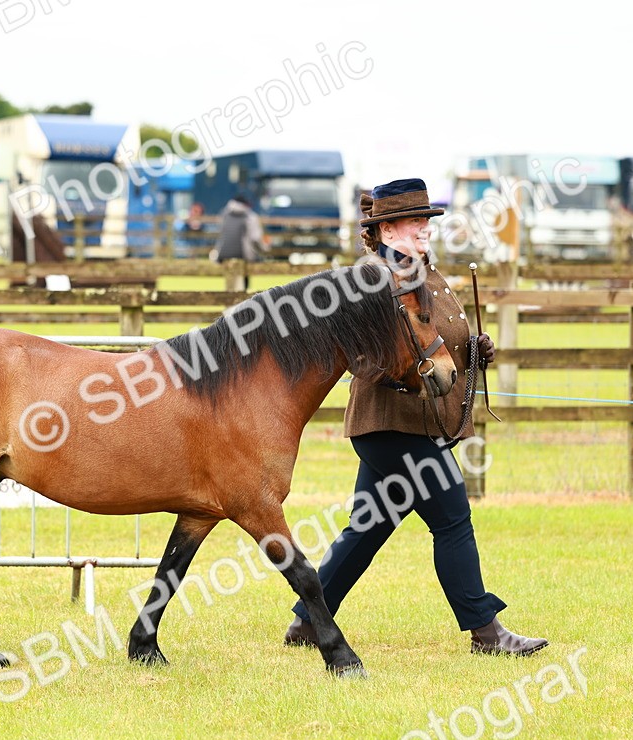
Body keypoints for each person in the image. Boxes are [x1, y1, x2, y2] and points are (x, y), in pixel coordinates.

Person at [283, 178, 548, 657]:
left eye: (427, 220)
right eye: (414, 221)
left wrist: (471, 352)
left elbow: (434, 341)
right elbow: (363, 360)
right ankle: (485, 631)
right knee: (453, 518)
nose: (424, 228)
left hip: (415, 424)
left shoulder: (424, 273)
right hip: (391, 425)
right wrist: (411, 376)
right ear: (386, 229)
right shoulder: (371, 279)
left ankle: (308, 620)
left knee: (368, 528)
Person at [214, 195, 265, 261]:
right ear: (246, 204)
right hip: (244, 255)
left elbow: (220, 232)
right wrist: (264, 249)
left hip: (222, 254)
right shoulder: (250, 216)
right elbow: (255, 238)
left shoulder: (224, 214)